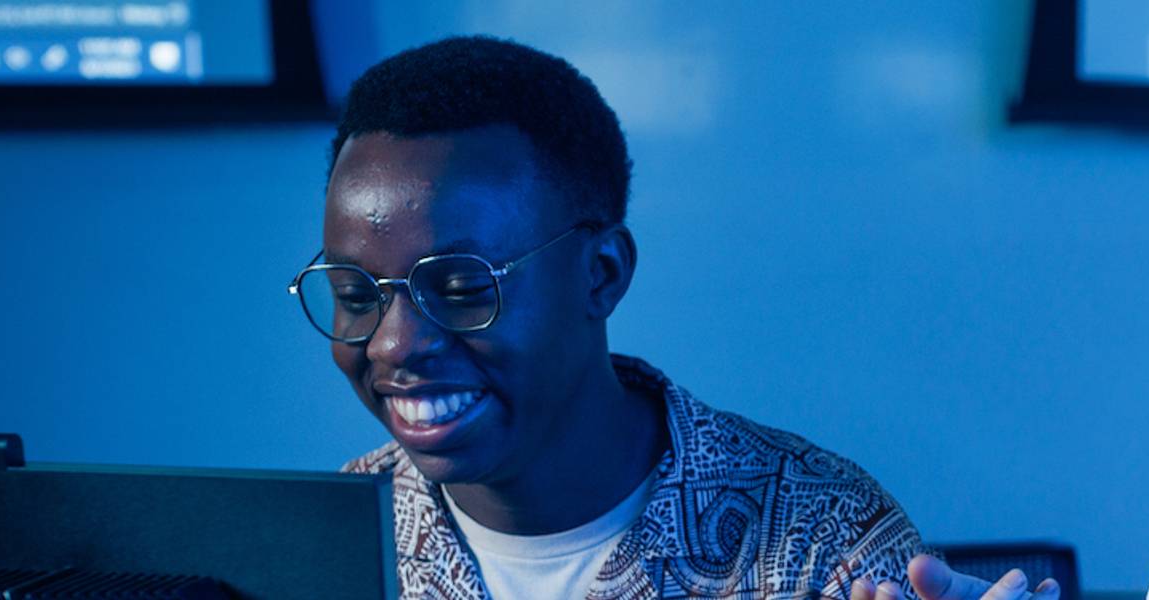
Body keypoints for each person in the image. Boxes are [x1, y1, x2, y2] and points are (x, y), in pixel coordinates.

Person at [293, 36, 925, 599]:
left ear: (601, 274)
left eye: (460, 289)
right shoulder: (329, 540)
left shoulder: (829, 548)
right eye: (356, 295)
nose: (395, 345)